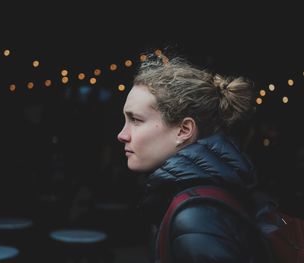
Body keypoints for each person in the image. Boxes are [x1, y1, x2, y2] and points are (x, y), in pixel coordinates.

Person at [117, 51, 274, 262]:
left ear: (184, 130)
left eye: (136, 120)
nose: (122, 135)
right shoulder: (202, 197)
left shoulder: (196, 217)